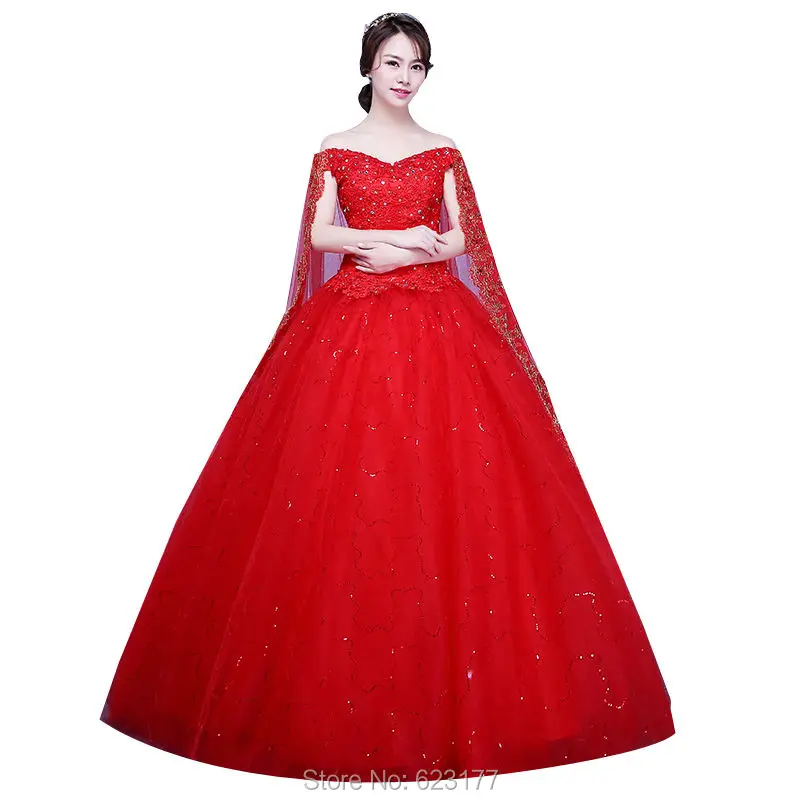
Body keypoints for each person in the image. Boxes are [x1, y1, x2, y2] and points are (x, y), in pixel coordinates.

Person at [100, 11, 675, 782]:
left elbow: (465, 238)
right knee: (334, 489)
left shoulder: (445, 149)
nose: (405, 76)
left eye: (417, 65)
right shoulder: (335, 147)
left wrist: (410, 249)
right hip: (350, 326)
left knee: (456, 491)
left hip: (440, 322)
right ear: (368, 66)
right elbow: (317, 235)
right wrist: (385, 241)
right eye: (393, 62)